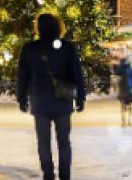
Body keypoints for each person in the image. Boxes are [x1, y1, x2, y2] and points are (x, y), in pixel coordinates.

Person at [17, 13, 86, 180]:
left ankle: (48, 173)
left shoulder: (29, 49)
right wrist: (80, 97)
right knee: (64, 141)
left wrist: (22, 98)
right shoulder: (66, 47)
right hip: (62, 99)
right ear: (57, 26)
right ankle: (65, 175)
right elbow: (77, 74)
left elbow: (22, 77)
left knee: (43, 142)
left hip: (40, 100)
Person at [112, 50, 132, 127]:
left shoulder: (120, 67)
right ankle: (128, 120)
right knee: (129, 105)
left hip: (123, 88)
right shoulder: (129, 67)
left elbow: (116, 74)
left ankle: (124, 120)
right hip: (129, 88)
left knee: (124, 105)